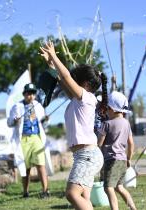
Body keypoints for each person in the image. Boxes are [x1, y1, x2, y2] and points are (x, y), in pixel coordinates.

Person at [40, 40, 107, 210]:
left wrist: (55, 56)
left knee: (72, 194)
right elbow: (62, 80)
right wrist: (50, 62)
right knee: (83, 197)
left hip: (87, 155)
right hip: (85, 155)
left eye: (76, 80)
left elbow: (67, 77)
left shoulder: (86, 97)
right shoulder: (79, 100)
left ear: (85, 84)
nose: (72, 82)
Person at [7, 83, 50, 198]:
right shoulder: (17, 106)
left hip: (36, 137)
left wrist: (46, 120)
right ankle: (25, 191)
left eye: (33, 93)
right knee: (26, 167)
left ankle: (45, 191)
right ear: (24, 94)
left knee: (41, 164)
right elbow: (9, 123)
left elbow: (43, 124)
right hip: (23, 139)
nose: (31, 96)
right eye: (28, 93)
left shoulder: (38, 106)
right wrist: (15, 121)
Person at [97, 91, 136, 210]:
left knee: (108, 188)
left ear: (112, 109)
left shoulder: (106, 124)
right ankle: (133, 208)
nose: (106, 111)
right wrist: (129, 159)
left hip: (111, 160)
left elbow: (99, 143)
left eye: (107, 108)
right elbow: (131, 143)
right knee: (119, 187)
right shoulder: (126, 123)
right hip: (122, 160)